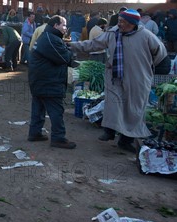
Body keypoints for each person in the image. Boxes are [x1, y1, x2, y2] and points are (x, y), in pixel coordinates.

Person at [68, 9, 167, 152]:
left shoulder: (146, 36)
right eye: (119, 20)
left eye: (123, 22)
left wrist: (146, 66)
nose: (119, 24)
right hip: (115, 77)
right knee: (113, 104)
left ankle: (126, 141)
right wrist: (72, 45)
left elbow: (160, 53)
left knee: (134, 109)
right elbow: (93, 44)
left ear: (132, 24)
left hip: (138, 78)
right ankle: (109, 131)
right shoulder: (113, 33)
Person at [27, 15, 77, 149]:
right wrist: (69, 52)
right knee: (56, 110)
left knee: (38, 107)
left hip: (40, 80)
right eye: (64, 25)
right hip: (48, 81)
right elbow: (64, 58)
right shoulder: (50, 39)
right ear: (56, 25)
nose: (65, 28)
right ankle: (58, 138)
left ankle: (35, 133)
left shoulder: (48, 36)